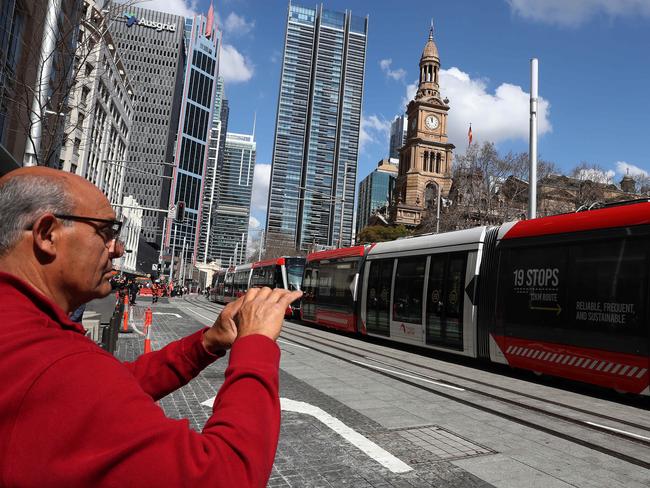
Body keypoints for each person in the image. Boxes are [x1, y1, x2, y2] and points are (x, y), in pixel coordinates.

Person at [0, 167, 302, 487]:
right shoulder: (54, 364)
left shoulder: (27, 336)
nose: (118, 249)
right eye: (106, 233)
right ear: (48, 234)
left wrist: (206, 344)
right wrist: (255, 343)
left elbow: (112, 386)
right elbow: (227, 475)